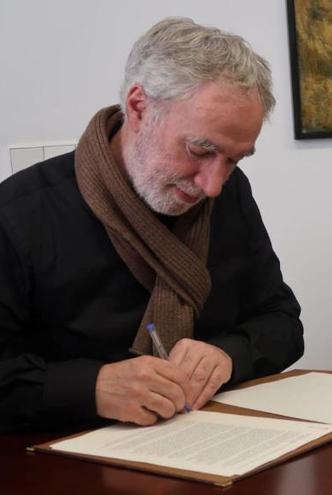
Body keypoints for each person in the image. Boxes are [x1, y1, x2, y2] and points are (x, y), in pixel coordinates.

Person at [0, 18, 303, 431]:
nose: (213, 186)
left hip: (212, 442)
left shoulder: (231, 194)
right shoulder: (18, 214)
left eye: (235, 160)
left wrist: (229, 354)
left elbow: (282, 320)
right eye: (200, 149)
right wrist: (91, 387)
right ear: (140, 107)